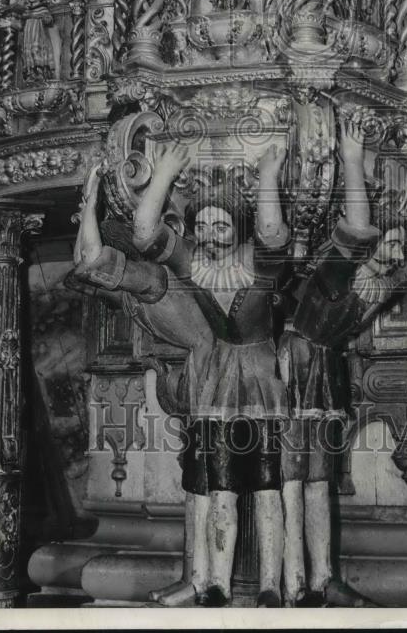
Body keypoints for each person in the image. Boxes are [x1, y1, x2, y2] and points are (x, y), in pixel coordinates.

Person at [277, 113, 407, 606]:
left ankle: (321, 579)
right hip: (293, 366)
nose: (393, 248)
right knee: (292, 480)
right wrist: (353, 160)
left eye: (400, 242)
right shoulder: (337, 273)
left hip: (323, 368)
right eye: (388, 241)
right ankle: (293, 581)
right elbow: (357, 229)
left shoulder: (383, 280)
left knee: (317, 479)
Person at [133, 141, 290, 607]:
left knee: (267, 486)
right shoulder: (197, 268)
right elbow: (144, 233)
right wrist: (163, 173)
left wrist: (267, 175)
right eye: (201, 226)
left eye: (220, 225)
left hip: (262, 382)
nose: (208, 233)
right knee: (219, 483)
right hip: (217, 383)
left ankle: (270, 585)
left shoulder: (259, 266)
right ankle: (216, 582)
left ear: (238, 231)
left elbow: (272, 229)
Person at [66, 160, 217, 604]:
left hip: (214, 388)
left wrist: (92, 203)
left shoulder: (154, 278)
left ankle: (202, 580)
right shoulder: (137, 289)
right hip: (196, 386)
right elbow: (83, 268)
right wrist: (86, 211)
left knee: (205, 490)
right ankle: (196, 578)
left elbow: (92, 260)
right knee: (197, 489)